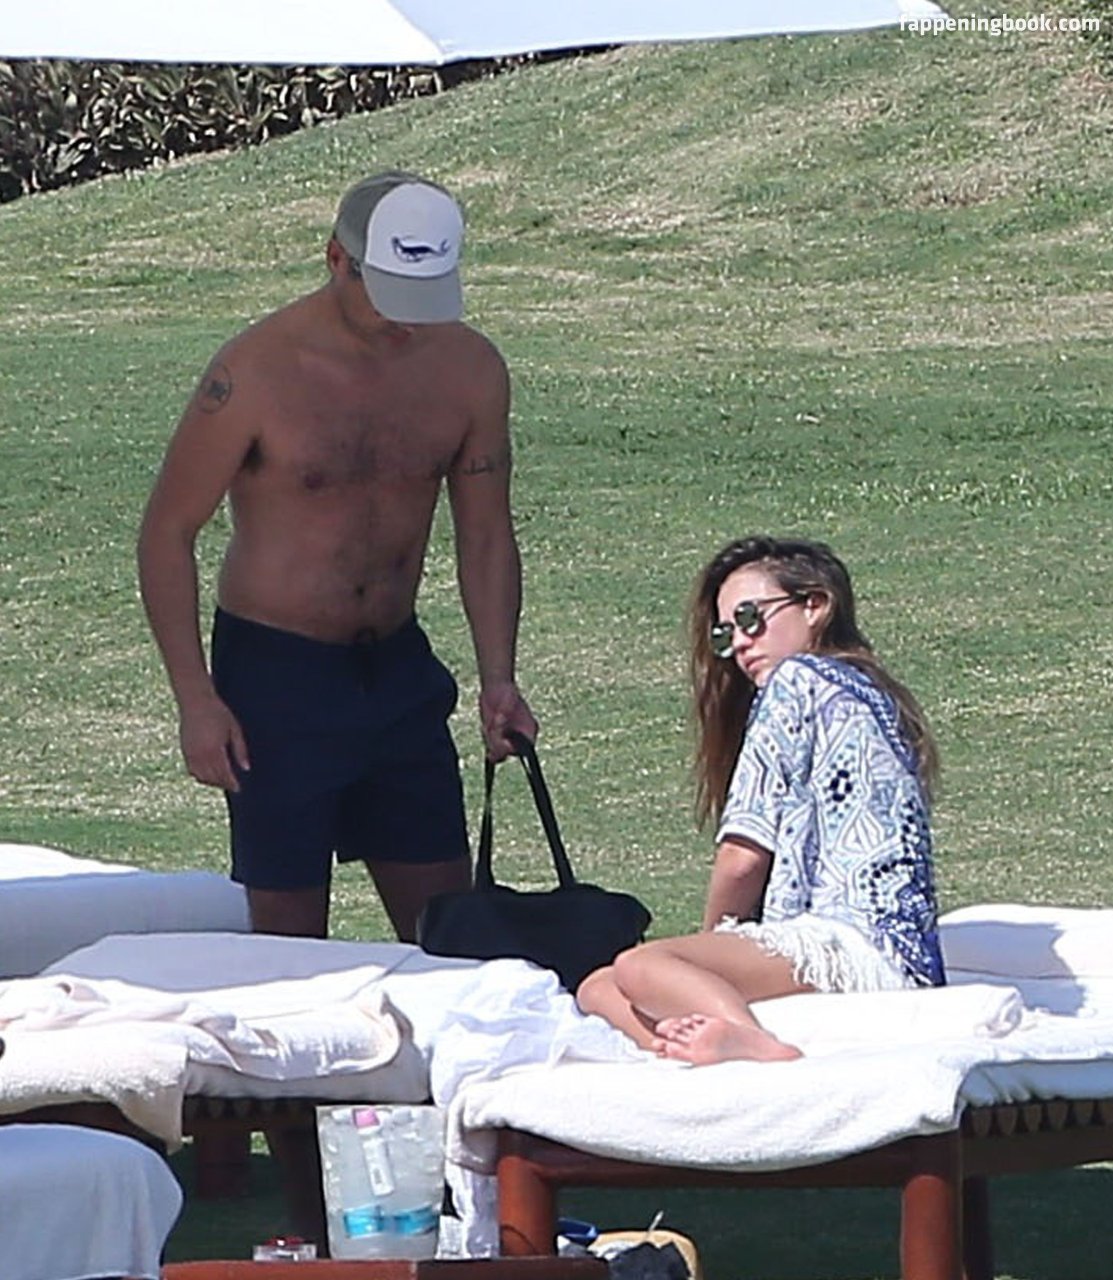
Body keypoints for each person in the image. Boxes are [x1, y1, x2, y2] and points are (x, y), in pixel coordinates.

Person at [138, 170, 537, 944]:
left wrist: (499, 676)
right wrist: (196, 698)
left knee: (448, 931)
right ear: (336, 260)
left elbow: (486, 532)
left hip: (396, 669)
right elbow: (167, 532)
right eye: (388, 293)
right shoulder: (254, 373)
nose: (405, 320)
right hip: (276, 676)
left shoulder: (470, 370)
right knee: (288, 940)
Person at [576, 535, 943, 1065]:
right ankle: (684, 1043)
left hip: (853, 942)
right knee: (597, 986)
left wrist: (707, 947)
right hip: (902, 955)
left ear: (815, 605)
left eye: (751, 618)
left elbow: (742, 857)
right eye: (726, 633)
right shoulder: (874, 694)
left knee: (642, 967)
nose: (741, 644)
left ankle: (753, 1042)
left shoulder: (797, 680)